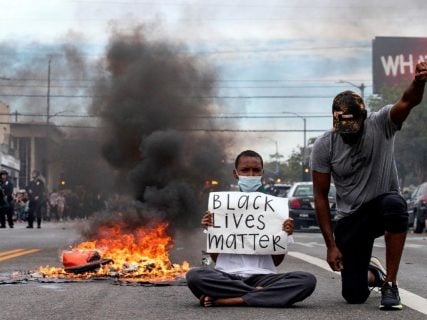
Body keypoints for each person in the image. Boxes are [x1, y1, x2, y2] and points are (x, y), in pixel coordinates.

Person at [310, 62, 427, 310]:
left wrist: (418, 82)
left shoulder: (381, 122)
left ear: (364, 118)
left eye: (353, 130)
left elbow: (408, 101)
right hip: (350, 219)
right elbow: (320, 196)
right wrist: (330, 245)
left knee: (395, 203)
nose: (348, 135)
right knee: (354, 295)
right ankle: (373, 272)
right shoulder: (324, 145)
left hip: (381, 206)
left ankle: (390, 285)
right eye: (343, 130)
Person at [186, 150, 316, 307]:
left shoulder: (275, 208)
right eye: (245, 170)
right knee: (195, 276)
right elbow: (214, 258)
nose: (250, 174)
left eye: (255, 170)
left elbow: (276, 262)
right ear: (236, 174)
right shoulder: (222, 207)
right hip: (227, 276)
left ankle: (231, 299)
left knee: (307, 280)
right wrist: (211, 228)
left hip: (263, 277)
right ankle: (260, 294)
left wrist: (285, 233)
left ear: (262, 173)